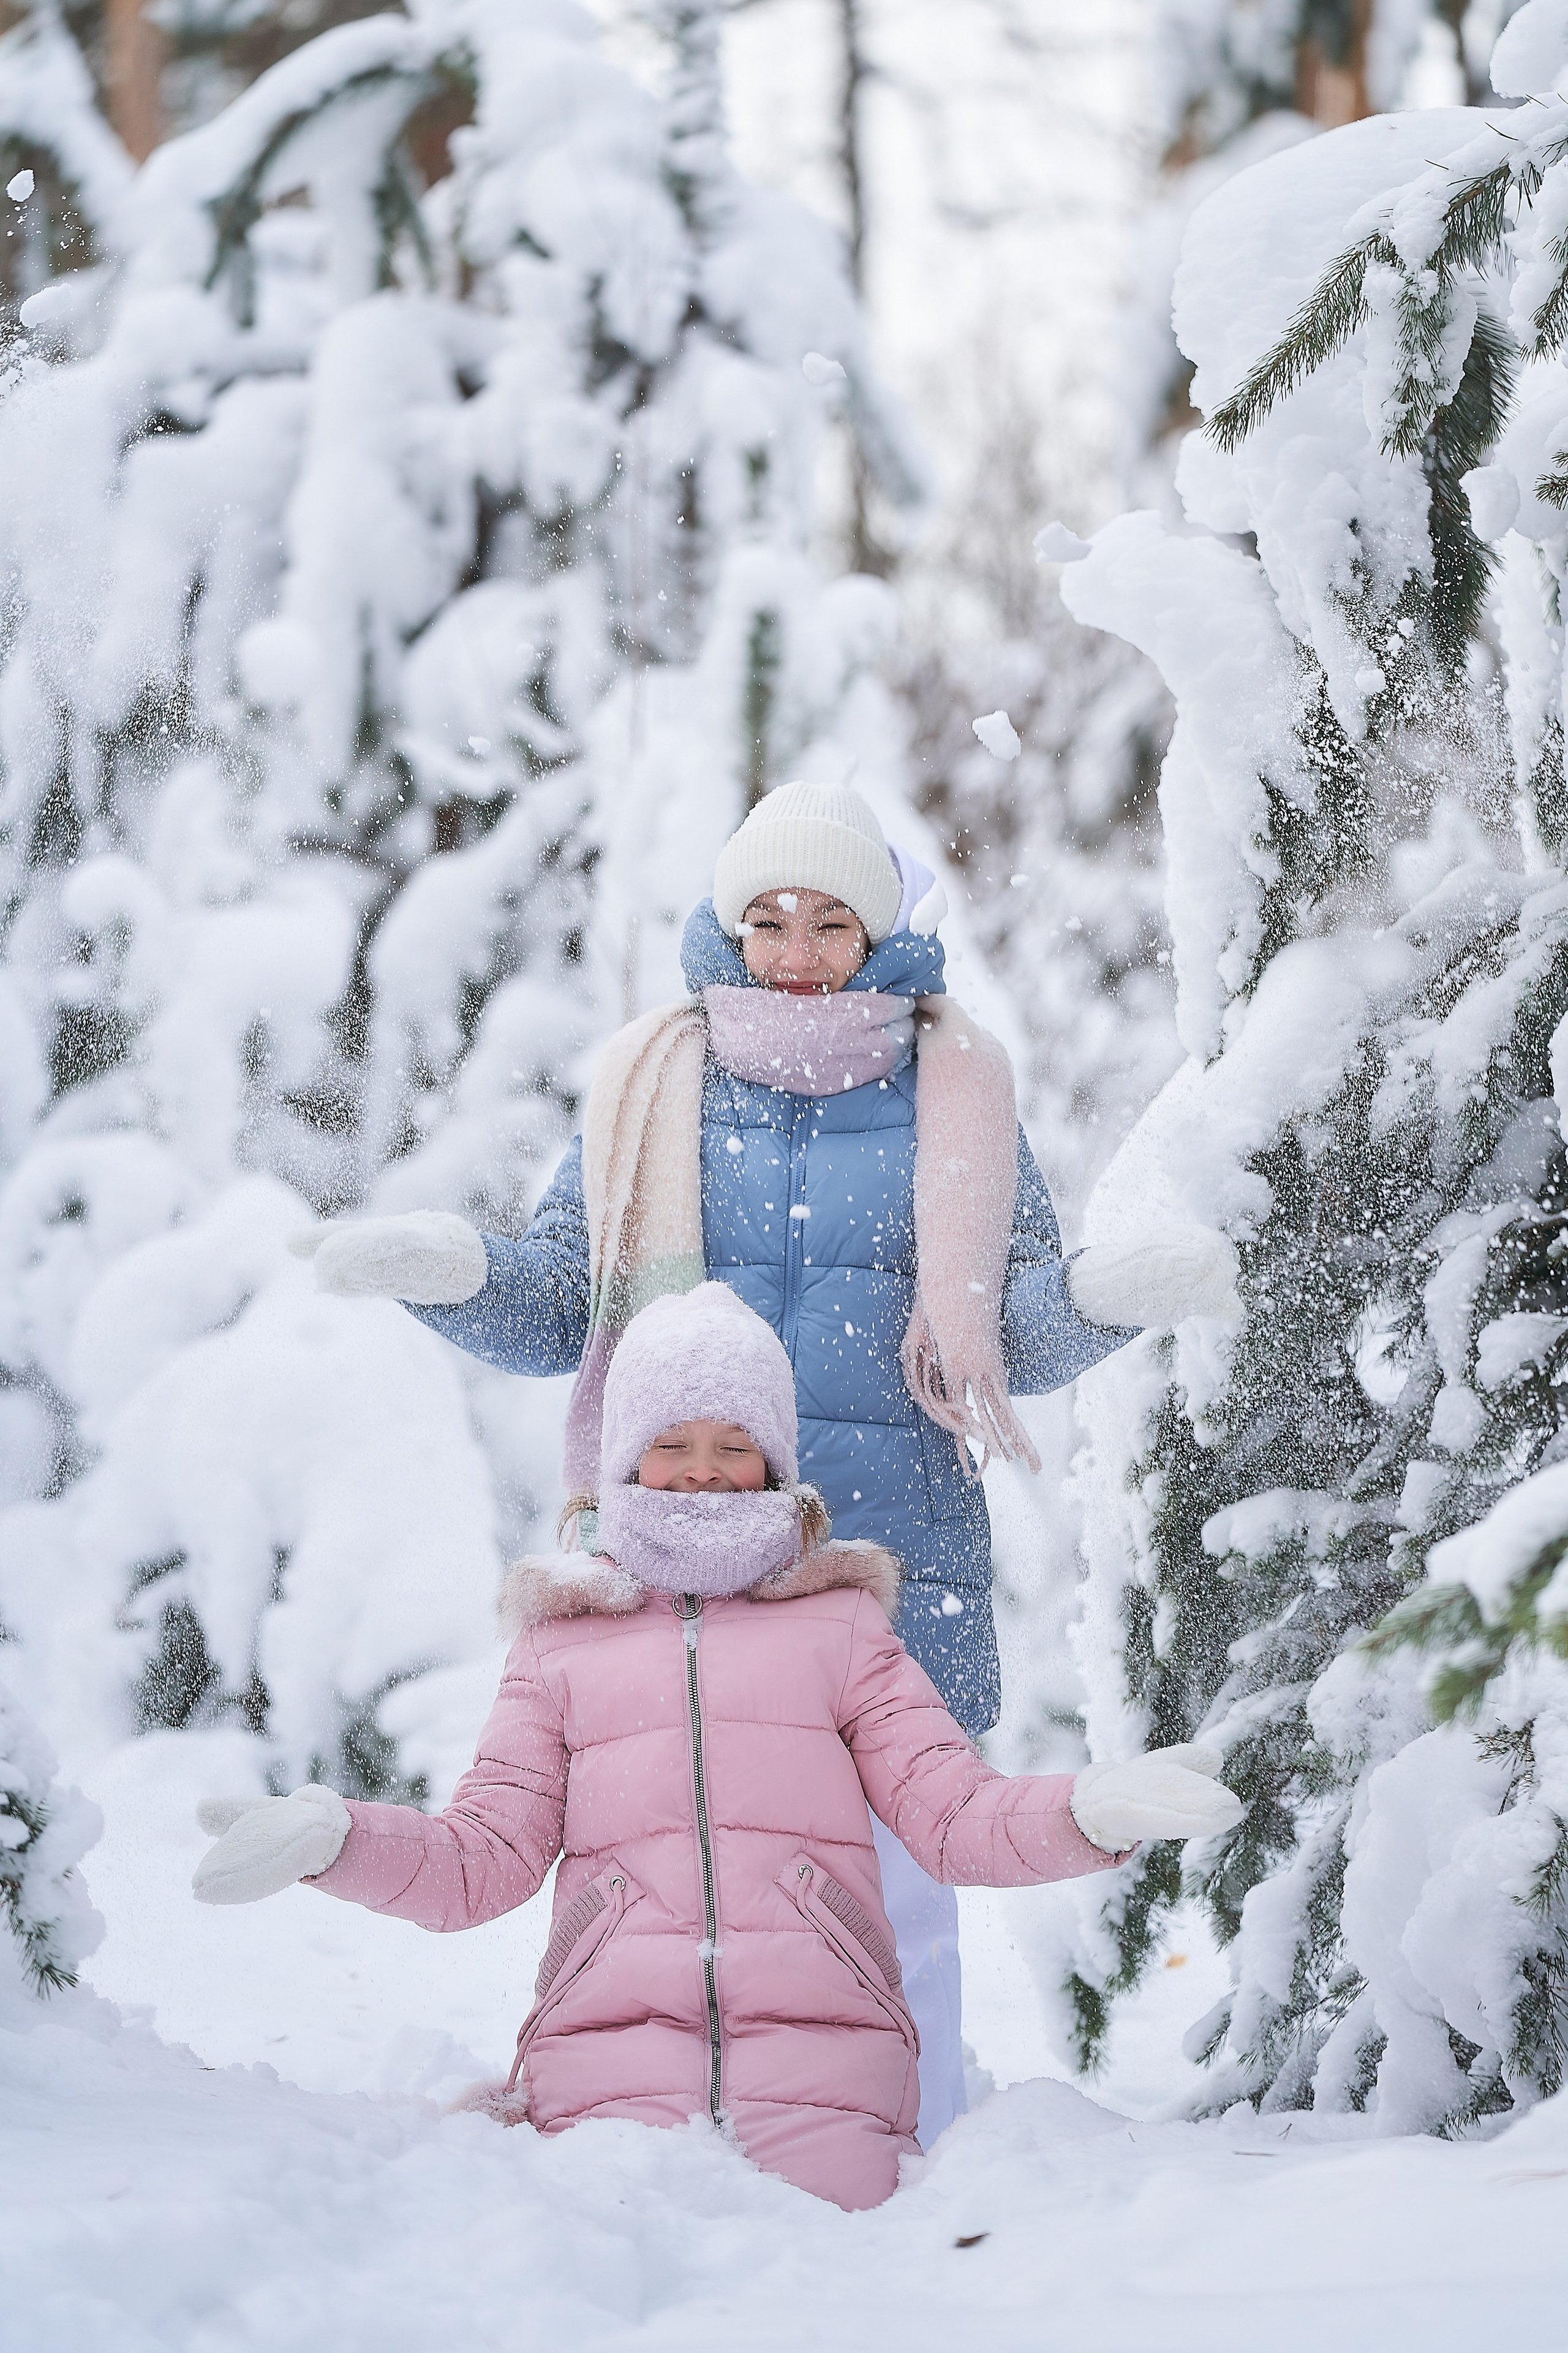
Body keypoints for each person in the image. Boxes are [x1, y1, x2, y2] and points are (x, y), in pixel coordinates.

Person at [292, 780, 1238, 2146]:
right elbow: (568, 1299)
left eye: (829, 921)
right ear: (729, 928)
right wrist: (453, 1271)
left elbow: (1003, 1334)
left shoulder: (953, 1092)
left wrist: (1105, 1295)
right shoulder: (651, 1083)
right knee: (671, 1861)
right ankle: (649, 2114)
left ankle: (907, 2154)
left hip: (895, 1547)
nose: (795, 952)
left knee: (901, 1887)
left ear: (877, 931)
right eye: (768, 919)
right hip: (683, 1539)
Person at [191, 1285, 1244, 2211]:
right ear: (623, 1459)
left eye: (733, 1443)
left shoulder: (842, 1630)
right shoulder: (561, 1644)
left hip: (831, 2071)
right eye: (673, 1440)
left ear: (776, 1461)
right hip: (604, 2075)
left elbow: (953, 1813)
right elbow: (482, 1856)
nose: (701, 1470)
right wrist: (334, 1840)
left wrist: (1090, 1812)